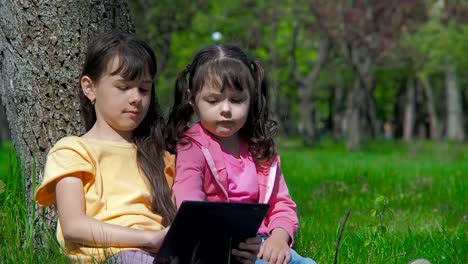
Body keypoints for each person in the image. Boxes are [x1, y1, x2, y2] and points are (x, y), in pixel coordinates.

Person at [35, 32, 260, 264]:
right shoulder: (73, 151)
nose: (136, 98)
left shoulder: (162, 156)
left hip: (162, 255)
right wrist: (149, 239)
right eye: (123, 87)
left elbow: (190, 216)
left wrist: (235, 245)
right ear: (89, 87)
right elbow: (73, 226)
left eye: (144, 89)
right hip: (108, 255)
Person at [165, 44, 316, 264]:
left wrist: (279, 239)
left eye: (236, 100)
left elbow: (282, 205)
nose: (226, 109)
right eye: (213, 100)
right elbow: (190, 202)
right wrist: (225, 241)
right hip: (215, 246)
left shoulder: (261, 149)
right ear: (192, 98)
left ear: (251, 98)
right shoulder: (192, 146)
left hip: (263, 242)